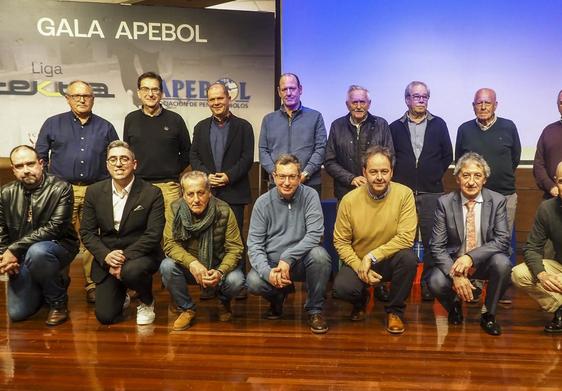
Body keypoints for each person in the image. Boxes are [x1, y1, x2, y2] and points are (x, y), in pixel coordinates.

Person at [36, 80, 119, 304]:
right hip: (61, 191)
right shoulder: (53, 124)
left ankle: (93, 284)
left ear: (93, 98)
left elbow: (116, 159)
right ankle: (58, 286)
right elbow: (40, 158)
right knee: (58, 239)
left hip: (96, 190)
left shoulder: (106, 127)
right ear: (68, 98)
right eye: (76, 96)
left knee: (93, 239)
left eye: (87, 96)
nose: (82, 99)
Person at [333, 145, 418, 334]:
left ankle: (394, 311)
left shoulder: (404, 194)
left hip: (389, 259)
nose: (379, 177)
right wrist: (360, 266)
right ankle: (359, 301)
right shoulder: (349, 200)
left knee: (409, 258)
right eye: (373, 172)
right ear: (364, 172)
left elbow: (406, 238)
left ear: (391, 172)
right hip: (359, 261)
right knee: (342, 289)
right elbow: (341, 242)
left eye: (384, 171)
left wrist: (371, 257)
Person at [80, 141, 164, 325]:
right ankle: (121, 294)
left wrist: (123, 257)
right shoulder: (94, 192)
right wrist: (106, 256)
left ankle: (146, 300)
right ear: (107, 164)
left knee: (132, 271)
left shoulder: (152, 193)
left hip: (140, 255)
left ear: (134, 164)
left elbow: (153, 234)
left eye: (124, 159)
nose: (118, 164)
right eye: (113, 159)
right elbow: (87, 232)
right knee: (106, 317)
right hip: (108, 258)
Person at [428, 152, 512, 336]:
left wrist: (470, 257)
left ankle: (488, 314)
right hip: (455, 262)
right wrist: (456, 275)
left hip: (485, 260)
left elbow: (502, 240)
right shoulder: (445, 202)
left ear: (485, 180)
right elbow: (437, 246)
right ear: (458, 178)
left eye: (477, 176)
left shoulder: (497, 201)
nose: (471, 182)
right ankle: (454, 306)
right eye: (466, 175)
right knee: (434, 281)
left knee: (503, 264)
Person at [247, 154, 331, 334]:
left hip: (301, 262)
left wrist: (288, 257)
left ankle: (314, 310)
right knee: (253, 281)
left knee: (320, 256)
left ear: (300, 177)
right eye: (282, 176)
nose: (286, 182)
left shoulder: (310, 195)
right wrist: (268, 272)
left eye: (292, 176)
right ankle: (278, 297)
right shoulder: (262, 203)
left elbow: (316, 234)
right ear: (274, 177)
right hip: (273, 265)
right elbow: (254, 245)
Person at [325, 84, 394, 302]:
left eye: (362, 101)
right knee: (351, 241)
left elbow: (391, 157)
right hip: (347, 194)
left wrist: (374, 180)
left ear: (369, 104)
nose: (358, 106)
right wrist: (351, 178)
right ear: (347, 104)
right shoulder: (337, 126)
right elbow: (329, 161)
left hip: (379, 195)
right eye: (354, 102)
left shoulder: (381, 125)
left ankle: (379, 281)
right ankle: (356, 288)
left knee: (379, 237)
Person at [0, 145, 78, 326]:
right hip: (20, 255)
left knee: (38, 252)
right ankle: (49, 281)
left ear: (41, 163)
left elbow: (55, 228)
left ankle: (58, 303)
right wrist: (5, 255)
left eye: (30, 164)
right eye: (19, 166)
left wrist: (14, 249)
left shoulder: (61, 188)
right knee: (18, 313)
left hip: (58, 246)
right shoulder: (5, 192)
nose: (26, 170)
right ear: (13, 169)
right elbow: (1, 229)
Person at [455, 88, 520, 304]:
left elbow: (515, 158)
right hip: (475, 195)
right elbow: (460, 160)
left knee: (503, 242)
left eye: (487, 102)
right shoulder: (464, 129)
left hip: (505, 194)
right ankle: (476, 284)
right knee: (476, 239)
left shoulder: (508, 126)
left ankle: (501, 287)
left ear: (495, 105)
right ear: (473, 105)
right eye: (479, 103)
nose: (483, 106)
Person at [390, 81, 453, 301]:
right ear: (407, 99)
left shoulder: (439, 124)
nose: (420, 100)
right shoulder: (395, 127)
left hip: (432, 192)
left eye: (424, 97)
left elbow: (448, 155)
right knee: (402, 240)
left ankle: (428, 283)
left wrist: (433, 174)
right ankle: (401, 284)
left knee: (431, 241)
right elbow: (392, 158)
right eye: (416, 97)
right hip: (402, 194)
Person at [190, 82, 254, 297]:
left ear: (229, 99)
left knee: (234, 240)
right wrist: (207, 177)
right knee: (207, 239)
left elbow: (247, 158)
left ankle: (238, 285)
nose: (216, 103)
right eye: (212, 99)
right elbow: (194, 156)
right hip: (207, 192)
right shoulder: (200, 127)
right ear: (208, 102)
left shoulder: (244, 126)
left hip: (234, 191)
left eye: (220, 98)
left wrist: (228, 176)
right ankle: (209, 285)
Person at [160, 171, 245, 331]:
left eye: (201, 193)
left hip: (216, 266)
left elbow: (235, 248)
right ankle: (186, 308)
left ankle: (223, 301)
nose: (196, 199)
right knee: (167, 266)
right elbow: (170, 244)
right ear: (183, 194)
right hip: (189, 268)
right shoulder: (175, 209)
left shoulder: (224, 210)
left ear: (209, 192)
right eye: (190, 194)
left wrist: (220, 271)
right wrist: (192, 263)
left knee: (237, 280)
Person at [123, 71, 191, 212]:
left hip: (169, 187)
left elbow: (187, 151)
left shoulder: (175, 119)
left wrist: (173, 170)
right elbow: (127, 151)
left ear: (161, 93)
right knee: (140, 231)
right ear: (139, 92)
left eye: (155, 89)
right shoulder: (131, 119)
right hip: (138, 186)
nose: (150, 94)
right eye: (145, 89)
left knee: (170, 232)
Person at [512, 161, 562, 333]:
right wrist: (542, 275)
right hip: (559, 267)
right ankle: (560, 309)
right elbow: (531, 248)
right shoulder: (547, 209)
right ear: (556, 182)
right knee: (519, 274)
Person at [259, 73, 327, 195]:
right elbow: (263, 150)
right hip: (278, 184)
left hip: (309, 183)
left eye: (292, 88)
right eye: (284, 89)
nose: (288, 93)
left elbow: (321, 149)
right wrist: (276, 174)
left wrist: (305, 173)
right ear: (279, 92)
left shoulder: (315, 117)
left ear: (300, 89)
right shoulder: (268, 120)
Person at [533, 90, 562, 199]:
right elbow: (538, 165)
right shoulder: (548, 131)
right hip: (553, 197)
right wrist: (550, 187)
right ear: (557, 106)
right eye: (561, 102)